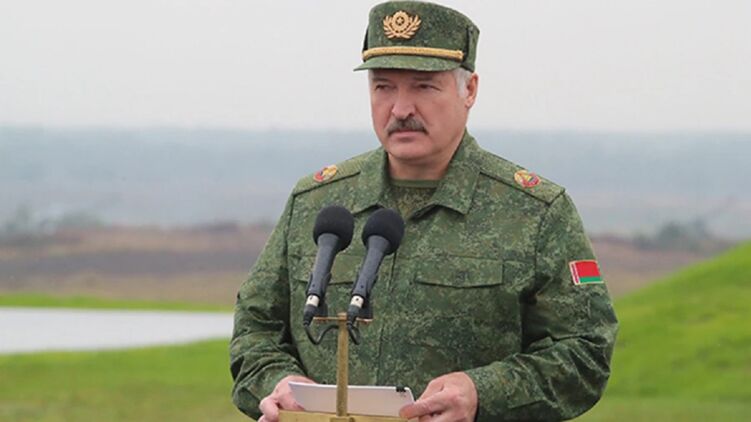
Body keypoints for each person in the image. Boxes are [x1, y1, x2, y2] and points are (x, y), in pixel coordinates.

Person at [230, 1, 618, 421]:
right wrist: (279, 382)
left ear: (469, 90)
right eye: (383, 87)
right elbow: (255, 330)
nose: (400, 109)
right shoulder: (316, 204)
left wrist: (482, 393)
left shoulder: (535, 213)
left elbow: (586, 352)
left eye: (424, 87)